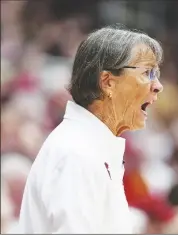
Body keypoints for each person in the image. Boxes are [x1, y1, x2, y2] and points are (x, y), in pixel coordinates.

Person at [16, 25, 163, 233]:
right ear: (108, 82)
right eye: (148, 72)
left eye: (156, 73)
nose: (158, 85)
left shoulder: (89, 146)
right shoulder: (76, 152)